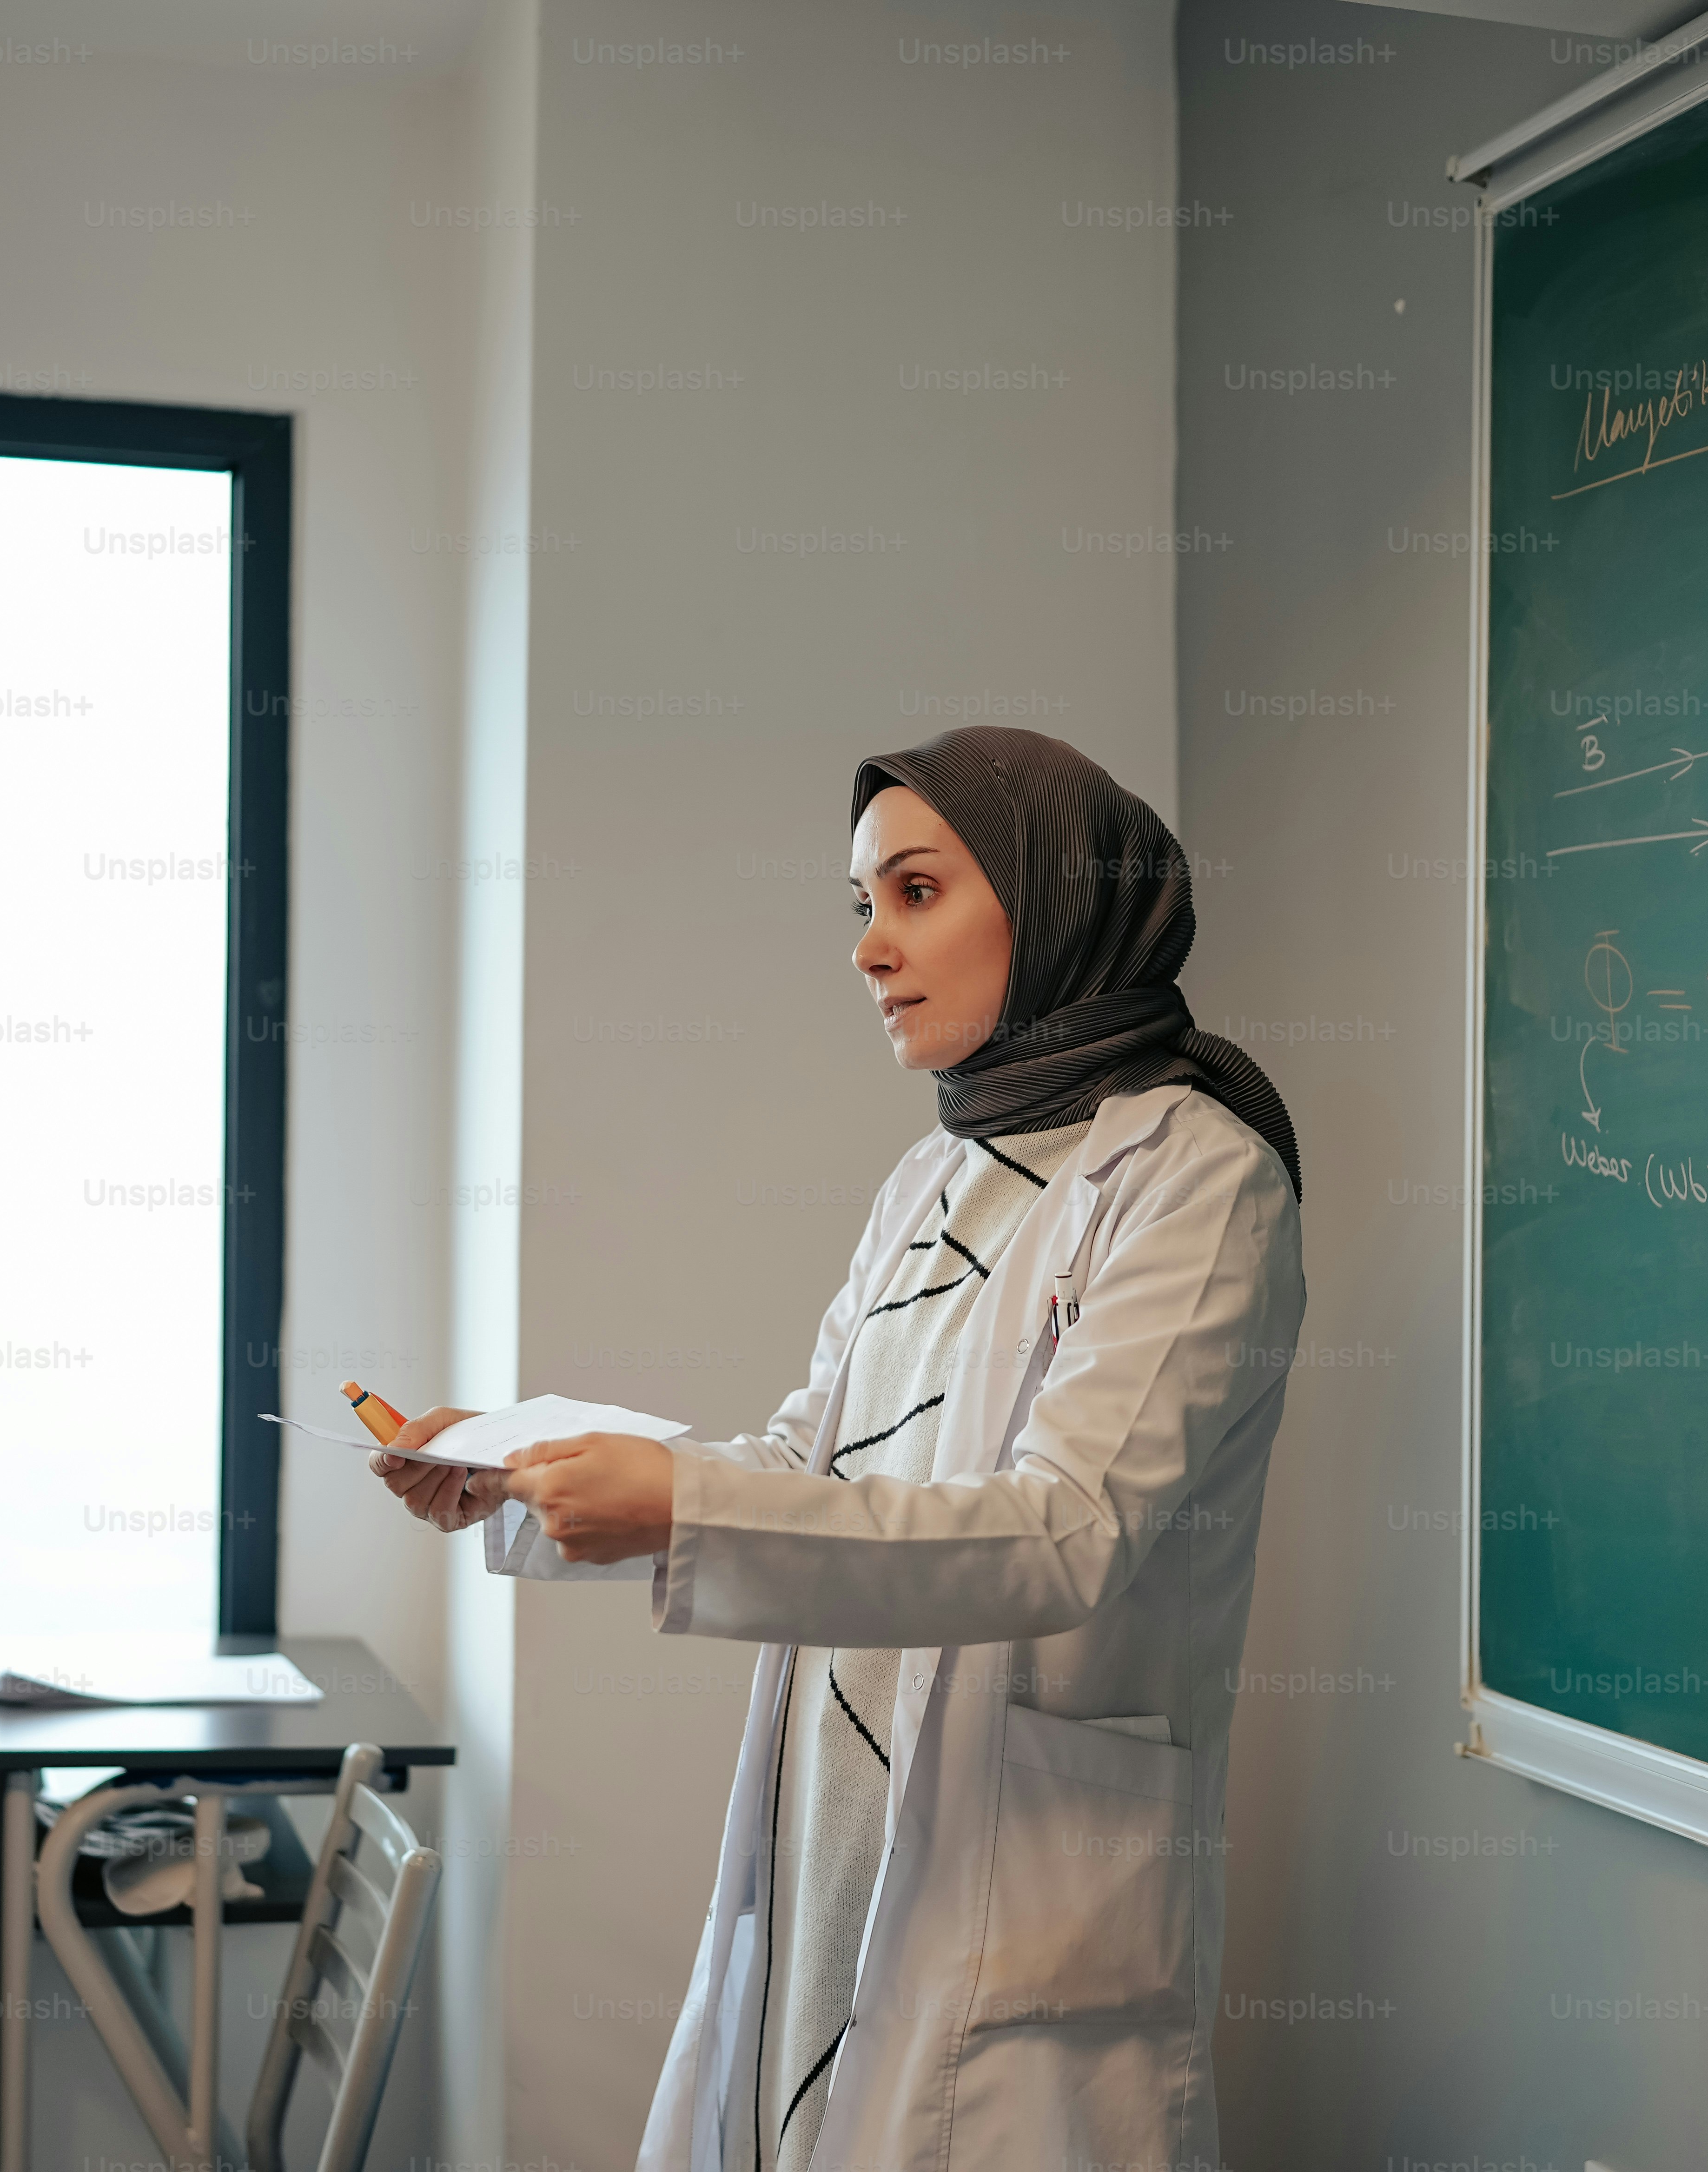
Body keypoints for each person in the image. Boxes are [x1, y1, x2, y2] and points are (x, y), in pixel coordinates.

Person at [372, 726, 1306, 2172]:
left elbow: (1064, 1531)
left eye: (916, 894)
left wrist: (681, 1509)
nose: (871, 949)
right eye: (862, 906)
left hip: (1027, 1910)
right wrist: (522, 1466)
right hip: (841, 1830)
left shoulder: (1198, 1177)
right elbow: (809, 1457)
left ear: (1057, 899)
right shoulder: (933, 1173)